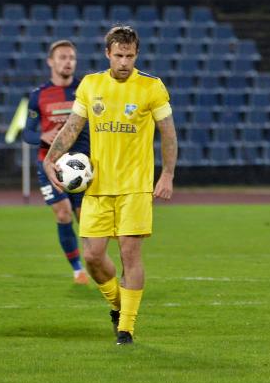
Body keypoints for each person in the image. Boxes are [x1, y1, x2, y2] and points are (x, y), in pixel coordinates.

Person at [43, 25, 178, 346]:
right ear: (108, 54)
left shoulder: (151, 87)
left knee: (130, 253)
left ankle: (126, 330)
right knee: (92, 256)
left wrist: (168, 174)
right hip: (98, 186)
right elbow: (73, 127)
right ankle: (119, 305)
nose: (124, 62)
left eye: (130, 56)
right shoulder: (91, 85)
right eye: (118, 56)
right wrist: (51, 159)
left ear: (136, 55)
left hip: (135, 187)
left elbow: (168, 133)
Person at [22, 40, 90, 285]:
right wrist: (41, 136)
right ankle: (77, 269)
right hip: (49, 166)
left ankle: (94, 261)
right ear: (51, 62)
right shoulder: (38, 95)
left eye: (71, 57)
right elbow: (26, 133)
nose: (67, 61)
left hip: (82, 166)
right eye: (62, 57)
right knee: (62, 215)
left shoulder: (86, 90)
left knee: (86, 220)